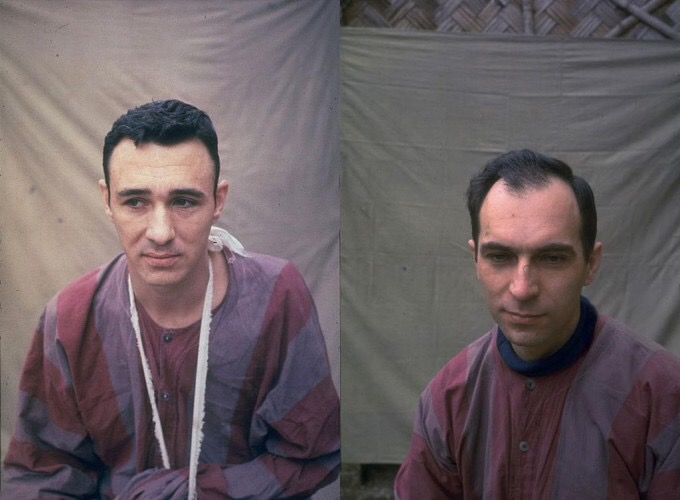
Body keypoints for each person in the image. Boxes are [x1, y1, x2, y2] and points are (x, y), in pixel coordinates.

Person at [2, 99, 340, 499]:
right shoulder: (71, 316)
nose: (160, 232)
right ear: (106, 200)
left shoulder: (277, 296)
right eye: (135, 202)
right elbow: (43, 474)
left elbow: (314, 454)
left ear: (218, 200)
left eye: (184, 201)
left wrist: (191, 492)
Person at [394, 149, 680, 499]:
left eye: (552, 258)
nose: (522, 288)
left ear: (591, 264)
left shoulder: (664, 396)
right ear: (476, 260)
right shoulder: (447, 398)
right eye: (500, 257)